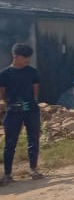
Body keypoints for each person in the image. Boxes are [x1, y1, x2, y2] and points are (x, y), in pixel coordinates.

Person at [0, 43, 42, 184]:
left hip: (31, 111)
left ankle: (33, 169)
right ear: (15, 56)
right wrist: (11, 105)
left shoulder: (32, 72)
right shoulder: (4, 74)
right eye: (24, 57)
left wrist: (32, 104)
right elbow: (3, 95)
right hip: (13, 112)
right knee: (10, 143)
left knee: (33, 140)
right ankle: (7, 174)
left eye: (28, 57)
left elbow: (35, 91)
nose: (27, 60)